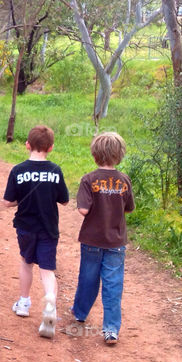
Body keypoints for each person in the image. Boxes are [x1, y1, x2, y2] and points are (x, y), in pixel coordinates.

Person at [67, 132, 135, 345]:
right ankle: (111, 330)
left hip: (92, 240)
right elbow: (130, 208)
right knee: (113, 283)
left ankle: (80, 312)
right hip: (116, 242)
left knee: (88, 278)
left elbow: (83, 210)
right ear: (120, 155)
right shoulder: (124, 180)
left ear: (95, 155)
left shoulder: (89, 179)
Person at [2, 125, 69, 338]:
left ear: (27, 145)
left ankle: (23, 303)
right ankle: (50, 301)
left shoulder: (18, 170)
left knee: (26, 262)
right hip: (49, 228)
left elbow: (7, 202)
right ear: (51, 147)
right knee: (47, 270)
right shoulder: (55, 171)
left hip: (25, 228)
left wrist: (19, 200)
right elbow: (65, 200)